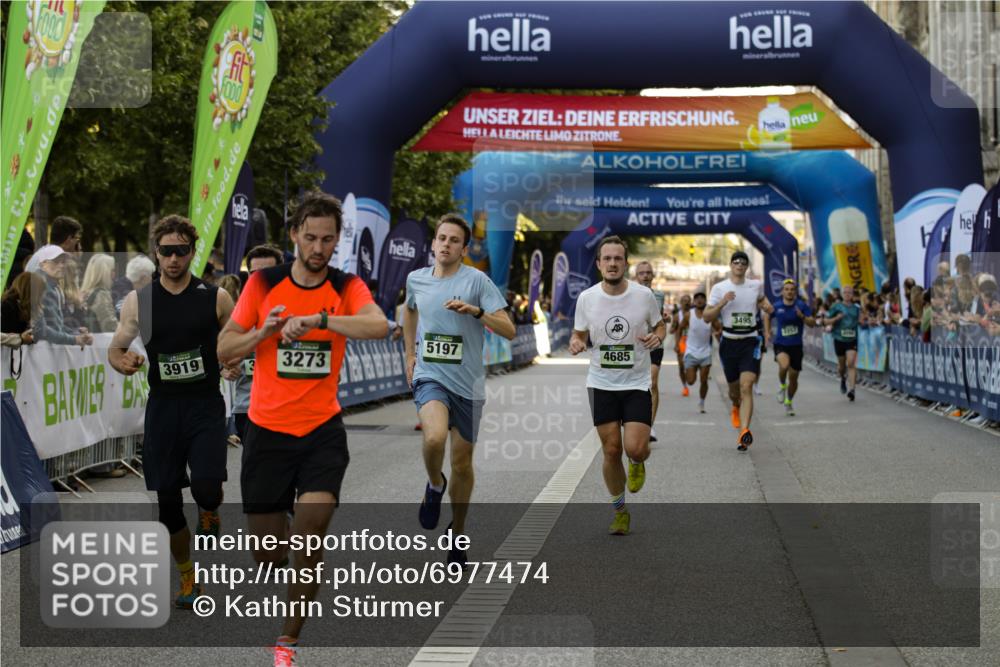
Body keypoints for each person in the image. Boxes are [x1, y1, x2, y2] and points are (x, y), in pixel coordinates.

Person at [217, 191, 387, 665]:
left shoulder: (346, 285)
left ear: (337, 241)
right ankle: (292, 546)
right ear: (293, 236)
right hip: (267, 432)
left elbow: (378, 325)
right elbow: (224, 348)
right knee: (269, 555)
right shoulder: (263, 283)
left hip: (321, 431)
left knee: (310, 542)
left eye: (327, 239)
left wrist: (320, 319)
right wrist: (264, 333)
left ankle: (287, 643)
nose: (317, 248)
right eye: (309, 238)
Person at [108, 215, 237, 609]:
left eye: (182, 250)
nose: (174, 259)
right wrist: (122, 361)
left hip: (204, 406)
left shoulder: (215, 297)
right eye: (167, 251)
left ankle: (210, 508)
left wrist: (234, 363)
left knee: (206, 486)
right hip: (164, 409)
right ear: (156, 254)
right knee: (167, 504)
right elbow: (116, 348)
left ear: (193, 252)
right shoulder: (140, 301)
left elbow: (234, 344)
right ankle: (187, 578)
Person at [404, 213, 514, 564]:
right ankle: (435, 485)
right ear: (433, 243)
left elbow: (508, 329)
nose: (446, 244)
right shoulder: (416, 279)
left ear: (464, 249)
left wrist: (477, 312)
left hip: (467, 384)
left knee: (463, 464)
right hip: (430, 376)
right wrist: (409, 353)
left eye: (454, 240)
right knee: (434, 437)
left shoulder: (477, 281)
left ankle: (459, 531)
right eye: (442, 238)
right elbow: (407, 312)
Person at [569, 236, 665, 535]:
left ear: (626, 263)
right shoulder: (586, 298)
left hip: (636, 382)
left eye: (617, 259)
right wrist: (575, 342)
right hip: (600, 384)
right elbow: (579, 334)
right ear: (599, 264)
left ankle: (637, 461)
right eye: (606, 259)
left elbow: (660, 324)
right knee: (611, 450)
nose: (612, 263)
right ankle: (620, 511)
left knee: (635, 448)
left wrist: (658, 336)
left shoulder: (643, 296)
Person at [702, 251, 773, 451]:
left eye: (743, 262)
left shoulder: (755, 286)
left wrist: (766, 306)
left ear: (747, 267)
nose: (740, 265)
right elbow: (707, 316)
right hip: (729, 343)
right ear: (731, 265)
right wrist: (723, 302)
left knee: (747, 386)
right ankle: (735, 406)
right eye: (736, 262)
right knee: (734, 390)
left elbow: (762, 301)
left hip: (750, 341)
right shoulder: (719, 288)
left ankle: (744, 431)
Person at [230, 244, 284, 443]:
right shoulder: (237, 316)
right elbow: (221, 353)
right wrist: (225, 368)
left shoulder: (299, 310)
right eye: (254, 274)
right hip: (249, 408)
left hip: (290, 409)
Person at [767, 279, 816, 416]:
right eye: (786, 289)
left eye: (792, 289)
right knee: (784, 365)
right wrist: (767, 330)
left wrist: (803, 317)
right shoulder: (777, 306)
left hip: (796, 345)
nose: (789, 292)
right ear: (782, 291)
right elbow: (767, 315)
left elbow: (812, 323)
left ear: (795, 292)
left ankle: (789, 401)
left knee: (794, 378)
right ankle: (782, 385)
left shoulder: (801, 305)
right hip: (781, 343)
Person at [29, 245, 93, 347]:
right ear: (42, 264)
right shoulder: (41, 286)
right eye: (55, 261)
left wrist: (77, 334)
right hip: (38, 353)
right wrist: (74, 339)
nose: (61, 265)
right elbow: (43, 331)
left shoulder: (52, 286)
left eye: (63, 262)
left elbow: (56, 326)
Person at [634, 260, 667, 440]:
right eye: (642, 273)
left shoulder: (660, 295)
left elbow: (659, 319)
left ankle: (650, 426)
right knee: (636, 386)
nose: (645, 276)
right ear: (636, 277)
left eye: (648, 273)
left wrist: (664, 319)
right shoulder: (628, 295)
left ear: (653, 276)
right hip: (634, 347)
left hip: (654, 344)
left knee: (652, 382)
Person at [682, 291, 722, 414]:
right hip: (691, 351)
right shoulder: (689, 315)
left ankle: (702, 402)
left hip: (705, 352)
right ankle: (688, 371)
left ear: (705, 301)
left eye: (702, 298)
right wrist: (678, 345)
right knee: (691, 381)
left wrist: (719, 337)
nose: (699, 300)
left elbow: (719, 329)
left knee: (704, 380)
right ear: (694, 301)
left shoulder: (710, 316)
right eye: (697, 298)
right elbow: (680, 327)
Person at [823, 284, 861, 401]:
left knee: (850, 363)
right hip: (839, 339)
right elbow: (826, 321)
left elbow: (861, 320)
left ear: (852, 294)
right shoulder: (836, 307)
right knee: (841, 366)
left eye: (850, 292)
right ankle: (843, 378)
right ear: (842, 294)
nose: (847, 294)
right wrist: (836, 319)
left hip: (852, 339)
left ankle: (852, 390)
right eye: (845, 292)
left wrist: (866, 321)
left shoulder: (856, 308)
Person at [81, 253, 118, 333]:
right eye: (112, 270)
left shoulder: (86, 292)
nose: (114, 274)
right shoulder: (102, 295)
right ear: (104, 272)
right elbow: (110, 326)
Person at [670, 294, 692, 397]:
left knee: (690, 365)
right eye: (684, 301)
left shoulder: (694, 314)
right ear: (681, 303)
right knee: (681, 366)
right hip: (682, 341)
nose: (686, 303)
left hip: (693, 342)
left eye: (688, 301)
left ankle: (691, 376)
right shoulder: (677, 316)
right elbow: (672, 330)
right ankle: (685, 387)